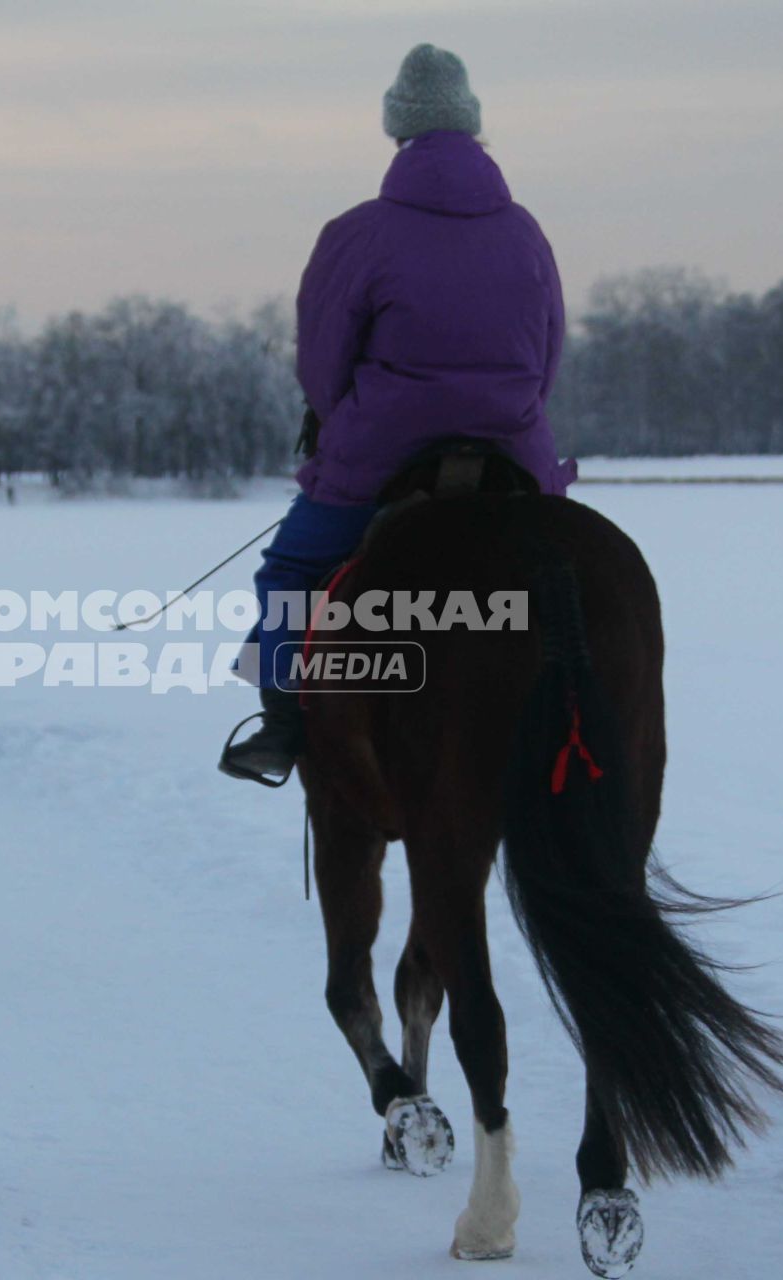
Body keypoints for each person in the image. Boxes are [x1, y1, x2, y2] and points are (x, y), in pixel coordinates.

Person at [220, 44, 575, 785]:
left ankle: (282, 721)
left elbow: (321, 360)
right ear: (474, 131)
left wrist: (344, 425)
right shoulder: (524, 230)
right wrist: (509, 416)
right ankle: (573, 710)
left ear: (396, 132)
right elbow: (548, 350)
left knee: (290, 572)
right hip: (511, 444)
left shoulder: (359, 231)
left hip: (382, 450)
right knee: (564, 578)